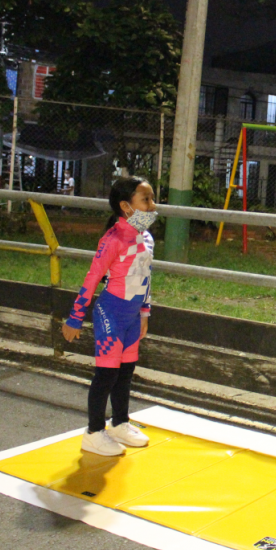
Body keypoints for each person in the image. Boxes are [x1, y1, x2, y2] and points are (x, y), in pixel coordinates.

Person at [62, 176, 158, 456]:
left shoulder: (147, 238)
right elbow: (92, 278)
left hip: (132, 318)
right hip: (111, 314)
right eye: (146, 200)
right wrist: (75, 317)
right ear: (126, 206)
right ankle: (93, 432)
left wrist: (145, 312)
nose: (153, 205)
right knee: (106, 374)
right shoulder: (112, 239)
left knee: (126, 373)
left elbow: (145, 278)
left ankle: (119, 422)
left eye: (153, 198)